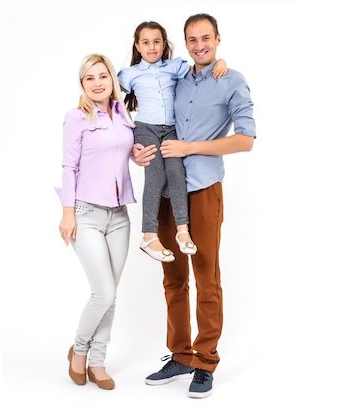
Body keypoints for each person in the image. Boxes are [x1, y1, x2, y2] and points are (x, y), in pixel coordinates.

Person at [134, 13, 256, 399]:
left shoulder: (231, 80)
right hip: (169, 190)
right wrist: (138, 151)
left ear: (218, 39)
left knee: (206, 275)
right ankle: (181, 354)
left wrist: (190, 148)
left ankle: (205, 361)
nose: (199, 45)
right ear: (184, 44)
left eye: (206, 38)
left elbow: (246, 139)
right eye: (192, 39)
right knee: (172, 277)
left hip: (202, 189)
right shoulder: (177, 75)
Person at [80, 21, 227, 263]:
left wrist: (220, 63)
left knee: (177, 174)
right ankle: (149, 234)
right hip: (146, 129)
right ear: (137, 46)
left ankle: (182, 230)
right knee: (156, 176)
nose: (152, 47)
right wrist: (84, 99)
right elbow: (104, 90)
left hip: (171, 129)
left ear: (164, 44)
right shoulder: (130, 74)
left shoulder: (174, 67)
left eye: (157, 41)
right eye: (146, 42)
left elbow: (199, 72)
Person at [55, 53, 137, 390]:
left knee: (111, 294)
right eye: (90, 78)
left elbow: (125, 153)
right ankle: (80, 350)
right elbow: (68, 166)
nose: (98, 82)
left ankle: (98, 361)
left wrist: (140, 154)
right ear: (82, 84)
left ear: (112, 81)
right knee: (102, 292)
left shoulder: (123, 115)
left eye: (103, 76)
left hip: (120, 216)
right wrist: (67, 213)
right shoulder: (76, 117)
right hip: (86, 213)